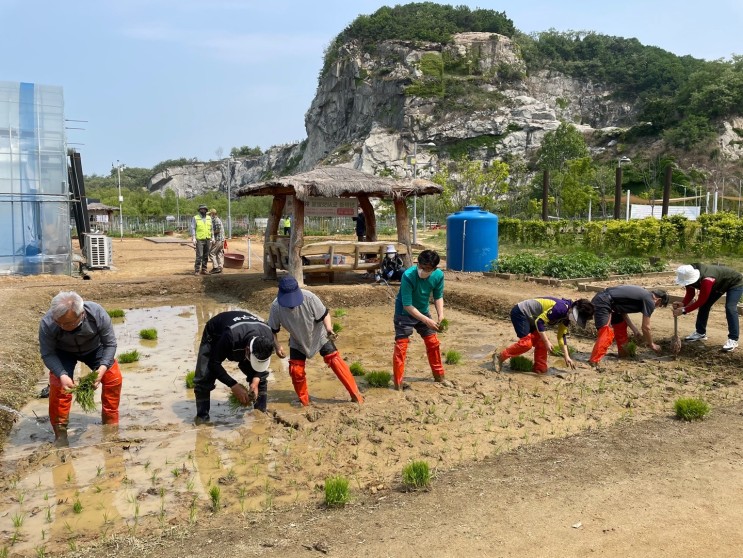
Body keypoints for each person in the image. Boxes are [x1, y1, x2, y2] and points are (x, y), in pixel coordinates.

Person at [38, 291, 122, 447]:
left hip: (94, 349)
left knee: (113, 377)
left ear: (81, 315)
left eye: (68, 323)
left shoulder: (96, 313)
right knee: (59, 386)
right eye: (59, 323)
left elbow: (110, 344)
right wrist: (62, 375)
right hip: (63, 353)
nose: (63, 326)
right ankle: (61, 434)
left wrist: (102, 369)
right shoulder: (48, 323)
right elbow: (48, 354)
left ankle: (110, 424)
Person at [268, 277, 363, 406]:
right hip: (297, 340)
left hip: (319, 335)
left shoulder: (310, 298)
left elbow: (325, 315)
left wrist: (329, 329)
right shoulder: (276, 307)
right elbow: (272, 331)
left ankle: (356, 395)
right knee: (296, 370)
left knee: (334, 360)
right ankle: (304, 401)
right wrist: (277, 346)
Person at [193, 310, 274, 424]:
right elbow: (214, 363)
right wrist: (233, 385)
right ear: (247, 351)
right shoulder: (230, 336)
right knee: (204, 377)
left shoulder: (268, 337)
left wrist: (256, 380)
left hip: (245, 335)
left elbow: (262, 367)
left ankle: (260, 415)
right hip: (216, 333)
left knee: (261, 378)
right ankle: (202, 419)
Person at [495, 297, 594, 373]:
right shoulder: (560, 309)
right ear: (575, 310)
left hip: (533, 318)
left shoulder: (566, 316)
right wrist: (547, 342)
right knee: (527, 344)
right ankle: (500, 356)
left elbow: (561, 336)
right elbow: (539, 322)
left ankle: (539, 369)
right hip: (521, 313)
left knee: (541, 343)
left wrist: (566, 356)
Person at [393, 249, 445, 390]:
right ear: (418, 263)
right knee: (401, 345)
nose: (423, 271)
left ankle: (439, 376)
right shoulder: (408, 276)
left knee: (433, 342)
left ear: (434, 269)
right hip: (404, 313)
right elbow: (407, 305)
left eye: (428, 269)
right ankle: (398, 383)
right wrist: (427, 321)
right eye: (422, 267)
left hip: (422, 310)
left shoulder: (438, 276)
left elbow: (438, 296)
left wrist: (440, 315)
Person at [589, 286, 669, 368]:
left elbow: (623, 311)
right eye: (660, 305)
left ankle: (623, 354)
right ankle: (594, 361)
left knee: (621, 325)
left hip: (611, 303)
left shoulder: (644, 295)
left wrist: (635, 330)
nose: (656, 307)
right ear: (658, 300)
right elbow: (646, 327)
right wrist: (652, 344)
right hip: (603, 302)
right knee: (606, 332)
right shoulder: (650, 301)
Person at [672, 263, 743, 352]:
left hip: (734, 282)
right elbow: (691, 293)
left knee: (730, 307)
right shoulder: (687, 275)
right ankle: (700, 332)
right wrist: (683, 304)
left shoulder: (707, 280)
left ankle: (733, 339)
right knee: (705, 306)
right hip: (718, 284)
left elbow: (702, 300)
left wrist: (684, 310)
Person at [190, 204, 213, 275]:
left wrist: (213, 237)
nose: (202, 210)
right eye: (201, 209)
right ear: (199, 210)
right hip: (199, 239)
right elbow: (193, 228)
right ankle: (197, 270)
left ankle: (204, 269)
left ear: (206, 210)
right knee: (199, 255)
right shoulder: (195, 218)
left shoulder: (209, 218)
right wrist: (194, 237)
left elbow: (211, 228)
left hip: (207, 238)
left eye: (204, 209)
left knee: (206, 255)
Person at [209, 208, 225, 274]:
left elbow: (217, 230)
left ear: (213, 214)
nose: (209, 215)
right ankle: (220, 267)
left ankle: (215, 267)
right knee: (219, 253)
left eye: (210, 214)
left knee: (211, 253)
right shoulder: (216, 220)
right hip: (221, 239)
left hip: (218, 239)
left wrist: (210, 233)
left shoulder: (216, 220)